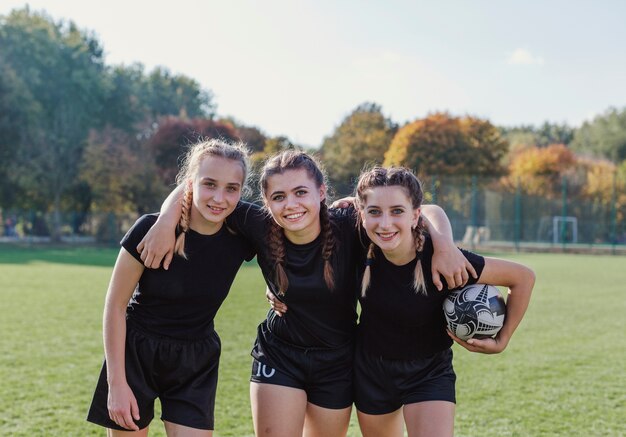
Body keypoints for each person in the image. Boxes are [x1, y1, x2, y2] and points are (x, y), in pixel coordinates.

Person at [138, 150, 476, 437]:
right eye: (279, 197)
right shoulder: (257, 223)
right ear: (267, 203)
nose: (291, 205)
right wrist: (166, 220)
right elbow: (194, 186)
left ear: (321, 192)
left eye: (301, 192)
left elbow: (427, 209)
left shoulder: (350, 224)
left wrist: (444, 244)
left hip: (337, 360)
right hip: (280, 354)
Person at [86, 139, 255, 436]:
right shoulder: (149, 230)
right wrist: (117, 384)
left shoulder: (242, 235)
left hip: (196, 359)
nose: (219, 197)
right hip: (135, 354)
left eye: (231, 188)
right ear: (191, 184)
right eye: (210, 184)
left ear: (241, 191)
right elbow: (114, 306)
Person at [351, 166, 534, 437]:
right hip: (371, 373)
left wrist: (503, 338)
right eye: (375, 211)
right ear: (362, 213)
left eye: (397, 211)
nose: (385, 223)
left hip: (428, 372)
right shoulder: (354, 244)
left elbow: (523, 278)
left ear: (415, 215)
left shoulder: (444, 259)